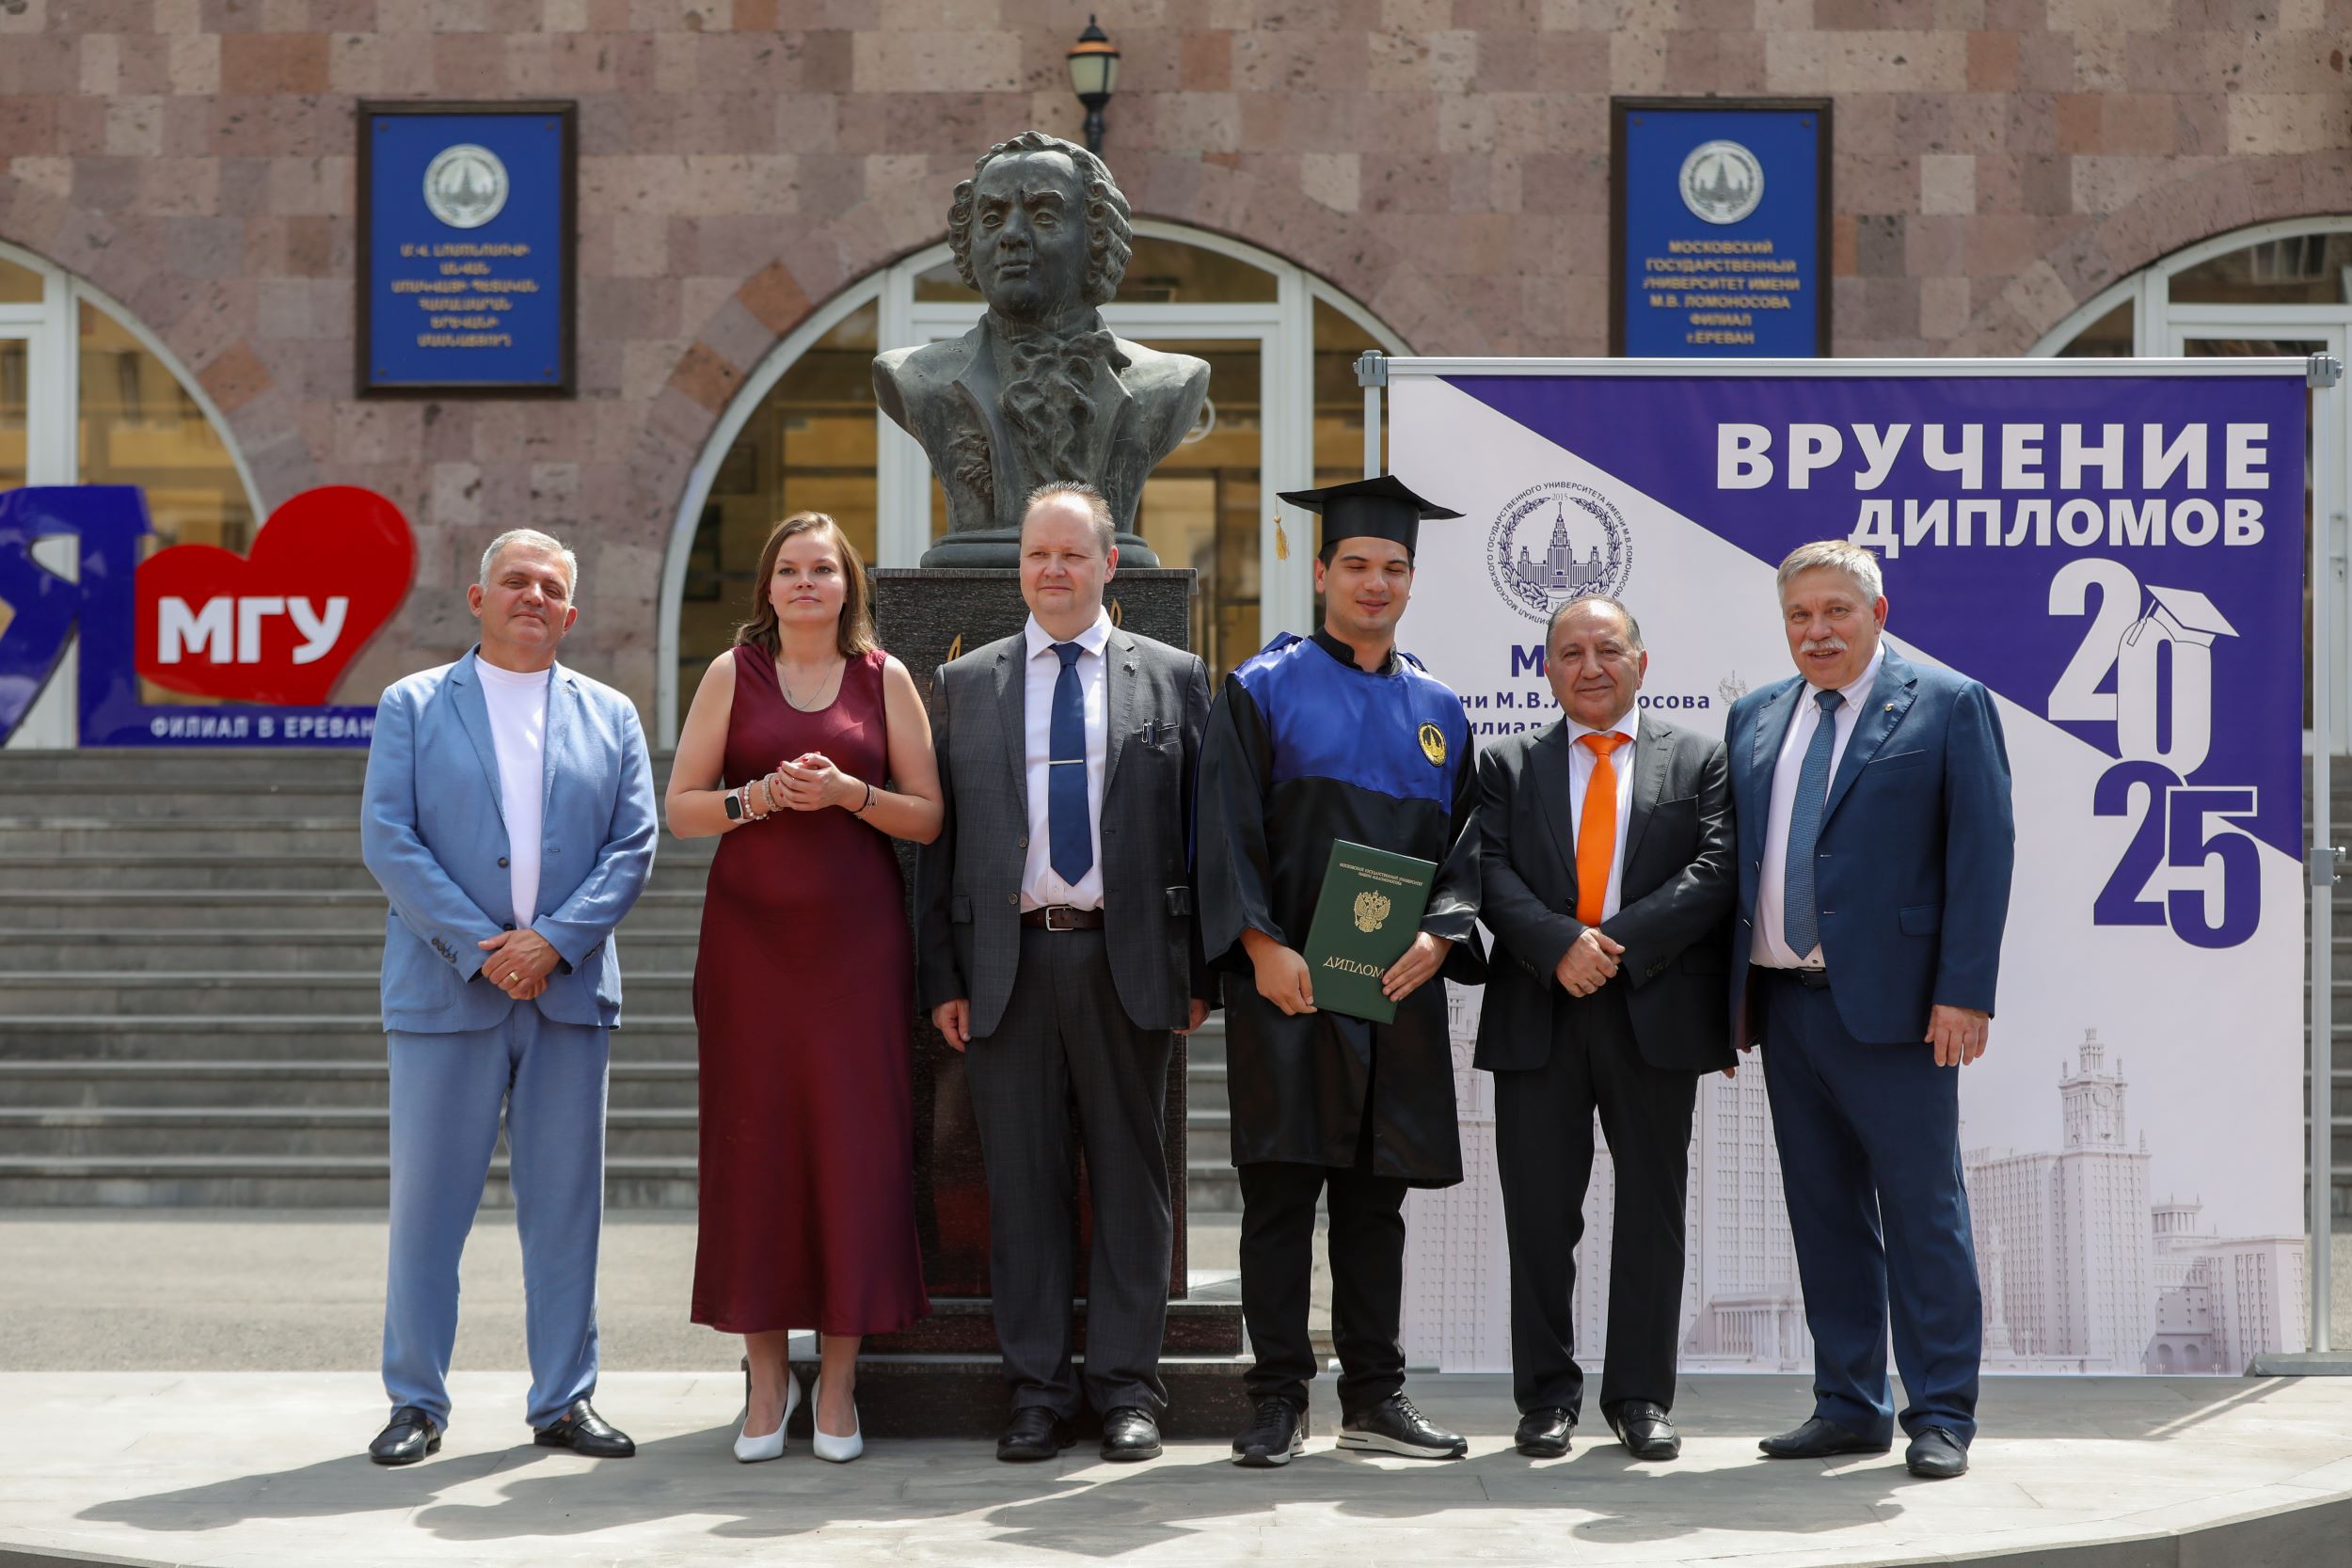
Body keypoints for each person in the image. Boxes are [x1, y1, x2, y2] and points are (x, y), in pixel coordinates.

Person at [914, 482, 1214, 1465]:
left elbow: (1204, 833)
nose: (1053, 569)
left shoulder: (1172, 676)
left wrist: (1200, 969)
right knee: (1023, 1185)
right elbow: (939, 848)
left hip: (1129, 962)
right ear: (1019, 567)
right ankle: (1038, 1392)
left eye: (1072, 554)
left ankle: (1127, 1389)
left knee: (1132, 1182)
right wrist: (942, 976)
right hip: (1007, 964)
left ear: (1109, 564)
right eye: (1037, 553)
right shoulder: (967, 683)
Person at [1196, 473, 1485, 1468]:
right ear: (1320, 572)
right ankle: (1278, 1396)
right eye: (1356, 564)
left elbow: (1466, 850)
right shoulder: (1261, 687)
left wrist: (1441, 935)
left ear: (1410, 579)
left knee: (1374, 1203)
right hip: (1287, 987)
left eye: (1393, 567)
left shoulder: (1439, 708)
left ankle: (1374, 1395)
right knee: (1280, 1200)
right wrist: (1259, 945)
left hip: (1392, 991)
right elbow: (1223, 829)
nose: (1375, 582)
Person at [358, 528, 657, 1465]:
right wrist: (483, 949)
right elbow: (389, 838)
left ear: (571, 612)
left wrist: (554, 940)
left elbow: (633, 845)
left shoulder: (612, 713)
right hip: (445, 991)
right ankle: (415, 1402)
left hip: (567, 994)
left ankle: (565, 1399)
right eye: (516, 580)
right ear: (477, 599)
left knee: (566, 1210)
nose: (534, 595)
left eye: (551, 587)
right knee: (428, 1210)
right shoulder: (413, 705)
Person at [1724, 540, 2013, 1481]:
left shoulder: (1947, 704)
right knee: (1824, 1216)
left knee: (1924, 1215)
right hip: (1784, 1008)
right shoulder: (1756, 715)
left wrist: (1964, 991)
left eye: (1835, 611)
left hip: (1903, 1012)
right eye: (1799, 615)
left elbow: (1983, 853)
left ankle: (1942, 1412)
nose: (1816, 631)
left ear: (1877, 614)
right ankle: (1849, 1404)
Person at [667, 511, 943, 1466]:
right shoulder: (730, 672)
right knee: (755, 1150)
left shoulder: (884, 677)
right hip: (749, 952)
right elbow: (681, 809)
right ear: (768, 586)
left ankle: (836, 1379)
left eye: (822, 568)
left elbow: (928, 816)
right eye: (788, 568)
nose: (804, 583)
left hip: (856, 952)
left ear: (847, 584)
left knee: (853, 1149)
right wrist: (754, 798)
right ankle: (765, 1377)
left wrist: (848, 794)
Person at [1474, 595, 1733, 1463]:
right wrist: (1559, 945)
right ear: (1547, 669)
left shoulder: (1696, 758)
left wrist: (1609, 945)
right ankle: (1547, 1396)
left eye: (1609, 650)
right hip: (1538, 1010)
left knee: (1652, 1213)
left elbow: (1715, 870)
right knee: (1539, 1216)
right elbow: (1487, 870)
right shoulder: (1506, 762)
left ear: (1641, 663)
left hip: (1651, 1010)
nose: (1591, 666)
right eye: (1572, 652)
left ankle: (1639, 1397)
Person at [872, 129, 1207, 566]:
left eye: (1044, 216)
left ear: (1096, 238)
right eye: (991, 218)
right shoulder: (915, 378)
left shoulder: (1169, 382)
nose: (1011, 235)